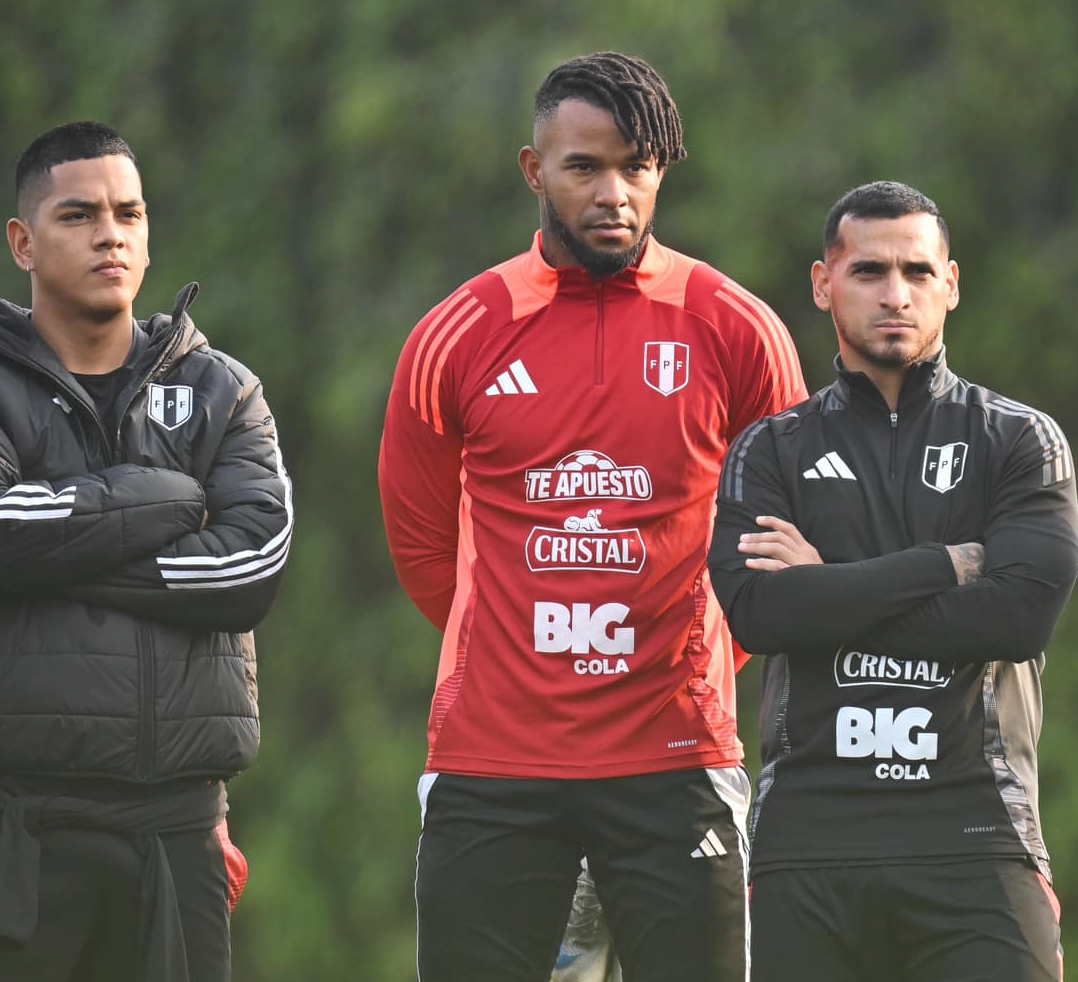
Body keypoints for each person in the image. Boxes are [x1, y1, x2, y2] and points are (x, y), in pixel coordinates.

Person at [378, 52, 805, 982]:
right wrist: (522, 654)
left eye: (637, 166)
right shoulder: (461, 330)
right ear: (536, 173)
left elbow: (783, 540)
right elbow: (420, 543)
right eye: (584, 168)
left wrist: (692, 656)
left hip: (676, 755)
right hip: (495, 761)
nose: (614, 192)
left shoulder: (735, 326)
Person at [0, 121, 292, 981]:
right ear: (23, 241)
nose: (109, 234)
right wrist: (160, 499)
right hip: (10, 823)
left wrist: (57, 559)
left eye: (128, 213)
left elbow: (249, 568)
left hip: (178, 836)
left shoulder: (221, 391)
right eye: (78, 215)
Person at [708, 181, 1078, 982]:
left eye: (917, 272)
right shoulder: (768, 451)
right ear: (823, 284)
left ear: (951, 282)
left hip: (978, 838)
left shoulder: (1018, 440)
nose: (895, 295)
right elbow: (760, 617)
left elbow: (1017, 618)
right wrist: (944, 564)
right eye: (869, 272)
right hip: (807, 843)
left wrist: (828, 590)